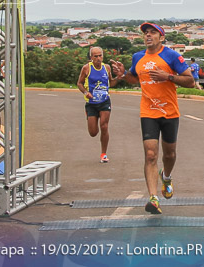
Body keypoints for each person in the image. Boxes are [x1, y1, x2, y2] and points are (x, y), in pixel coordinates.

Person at [109, 22, 195, 215]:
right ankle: (153, 199)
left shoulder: (172, 56)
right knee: (150, 154)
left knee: (169, 155)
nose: (148, 36)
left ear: (161, 37)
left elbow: (190, 81)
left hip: (169, 112)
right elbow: (135, 78)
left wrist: (168, 77)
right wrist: (123, 74)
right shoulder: (138, 57)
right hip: (148, 111)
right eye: (146, 33)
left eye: (153, 33)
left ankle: (166, 176)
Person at [77, 46, 122, 163]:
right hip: (91, 103)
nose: (98, 58)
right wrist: (86, 92)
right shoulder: (86, 68)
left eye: (100, 56)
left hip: (104, 101)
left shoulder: (106, 68)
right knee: (93, 132)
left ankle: (103, 154)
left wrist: (119, 77)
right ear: (91, 57)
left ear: (103, 56)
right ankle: (91, 117)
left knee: (104, 126)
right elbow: (79, 83)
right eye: (95, 56)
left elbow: (111, 83)